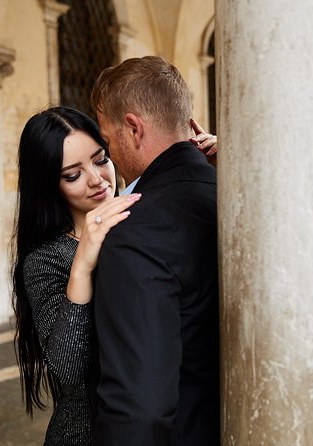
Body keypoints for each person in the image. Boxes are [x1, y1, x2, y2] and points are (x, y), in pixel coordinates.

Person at [10, 105, 217, 445]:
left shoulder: (144, 219)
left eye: (101, 159)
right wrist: (83, 263)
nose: (96, 179)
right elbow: (69, 369)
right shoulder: (45, 259)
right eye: (72, 175)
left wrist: (217, 172)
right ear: (49, 186)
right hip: (87, 433)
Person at [89, 56, 219, 445]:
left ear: (133, 128)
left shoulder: (135, 229)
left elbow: (139, 411)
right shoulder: (230, 193)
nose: (111, 156)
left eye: (108, 142)